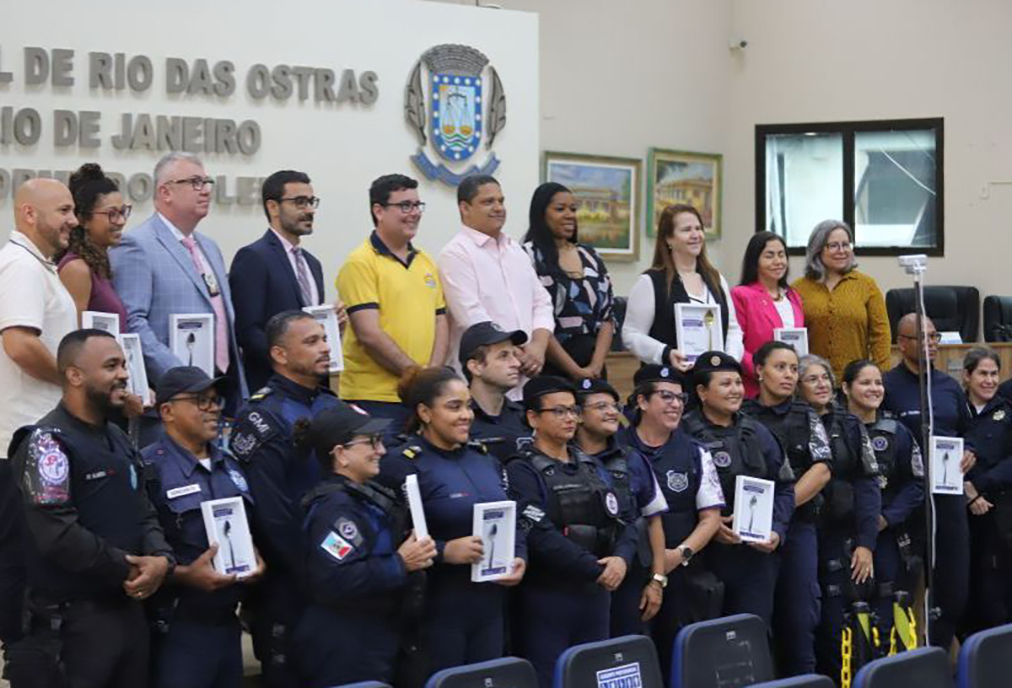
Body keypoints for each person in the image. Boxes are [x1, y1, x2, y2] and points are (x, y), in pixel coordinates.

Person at [6, 329, 175, 688]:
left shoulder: (116, 437)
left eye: (124, 364)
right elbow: (58, 534)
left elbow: (142, 507)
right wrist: (129, 568)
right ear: (75, 375)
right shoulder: (46, 443)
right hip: (72, 627)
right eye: (111, 365)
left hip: (128, 614)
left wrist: (161, 558)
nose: (124, 374)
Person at [381, 366, 526, 675]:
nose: (466, 415)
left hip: (489, 606)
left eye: (469, 406)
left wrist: (519, 555)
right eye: (454, 406)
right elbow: (390, 539)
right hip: (436, 608)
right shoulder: (402, 464)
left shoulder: (483, 457)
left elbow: (512, 515)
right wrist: (445, 551)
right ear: (425, 412)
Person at [227, 310, 342, 687]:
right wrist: (315, 570)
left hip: (342, 574)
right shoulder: (262, 416)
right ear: (279, 354)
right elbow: (272, 514)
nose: (325, 348)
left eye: (324, 339)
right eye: (311, 342)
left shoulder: (333, 406)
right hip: (291, 580)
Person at [292, 404, 436, 688]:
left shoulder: (365, 497)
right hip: (345, 644)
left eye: (380, 441)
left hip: (378, 634)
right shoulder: (335, 508)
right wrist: (400, 563)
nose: (381, 450)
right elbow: (334, 579)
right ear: (341, 454)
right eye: (370, 442)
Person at [506, 376, 637, 687]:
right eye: (559, 411)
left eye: (573, 411)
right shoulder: (521, 469)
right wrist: (596, 569)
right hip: (549, 597)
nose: (569, 418)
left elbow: (627, 518)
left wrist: (621, 560)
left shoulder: (591, 465)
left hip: (596, 594)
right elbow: (539, 533)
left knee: (595, 675)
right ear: (533, 418)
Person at [142, 366, 264, 688]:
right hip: (177, 623)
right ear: (167, 411)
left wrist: (256, 560)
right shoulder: (149, 469)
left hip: (227, 621)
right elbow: (135, 550)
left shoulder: (231, 464)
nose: (214, 407)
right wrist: (183, 575)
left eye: (215, 399)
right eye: (200, 400)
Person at [0, 178, 78, 647]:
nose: (73, 219)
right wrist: (75, 381)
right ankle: (19, 654)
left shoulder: (37, 267)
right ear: (30, 214)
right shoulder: (20, 268)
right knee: (19, 554)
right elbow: (20, 343)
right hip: (21, 439)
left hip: (34, 436)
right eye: (64, 210)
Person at [110, 152, 248, 412]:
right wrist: (181, 377)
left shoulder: (210, 247)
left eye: (207, 182)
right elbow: (132, 323)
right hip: (174, 396)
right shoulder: (136, 245)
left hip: (223, 390)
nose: (205, 191)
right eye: (195, 182)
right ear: (166, 192)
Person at [618, 365, 723, 683]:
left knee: (684, 665)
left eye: (680, 398)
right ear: (641, 401)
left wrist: (681, 554)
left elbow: (712, 517)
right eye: (666, 397)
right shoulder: (616, 450)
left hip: (684, 575)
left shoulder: (694, 451)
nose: (676, 404)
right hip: (630, 578)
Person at [882, 313, 974, 652]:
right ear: (902, 343)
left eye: (934, 337)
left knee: (953, 584)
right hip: (906, 497)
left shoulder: (949, 386)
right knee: (904, 582)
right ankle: (904, 655)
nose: (930, 343)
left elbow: (968, 432)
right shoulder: (887, 385)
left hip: (948, 495)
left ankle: (938, 648)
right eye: (921, 337)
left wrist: (972, 451)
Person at [681, 351, 794, 625]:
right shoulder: (683, 434)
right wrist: (708, 526)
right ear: (702, 391)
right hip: (703, 557)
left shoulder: (758, 433)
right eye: (725, 384)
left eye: (738, 383)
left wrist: (777, 531)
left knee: (753, 634)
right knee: (707, 636)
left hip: (755, 556)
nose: (735, 391)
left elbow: (785, 488)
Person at [741, 342, 831, 676]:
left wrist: (779, 511)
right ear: (759, 371)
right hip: (750, 531)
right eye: (781, 367)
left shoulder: (806, 414)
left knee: (799, 618)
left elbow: (821, 470)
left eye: (794, 369)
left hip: (798, 527)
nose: (789, 375)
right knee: (756, 621)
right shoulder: (743, 416)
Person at [337, 174, 448, 435]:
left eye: (417, 205)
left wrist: (431, 375)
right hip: (375, 399)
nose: (414, 214)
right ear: (379, 211)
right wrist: (417, 376)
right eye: (405, 206)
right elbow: (369, 334)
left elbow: (441, 320)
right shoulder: (360, 262)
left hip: (421, 396)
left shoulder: (426, 262)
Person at [796, 354, 880, 681]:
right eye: (812, 379)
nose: (821, 385)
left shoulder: (850, 424)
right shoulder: (791, 422)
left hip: (840, 537)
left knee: (836, 624)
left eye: (825, 378)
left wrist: (866, 543)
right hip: (799, 532)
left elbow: (869, 486)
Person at [438, 175, 554, 397]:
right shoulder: (456, 254)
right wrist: (515, 354)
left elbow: (542, 302)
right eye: (488, 202)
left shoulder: (515, 251)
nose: (499, 208)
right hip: (483, 382)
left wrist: (538, 346)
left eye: (501, 201)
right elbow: (472, 317)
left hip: (527, 376)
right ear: (465, 208)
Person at [574, 377, 667, 637]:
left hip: (631, 576)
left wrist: (657, 581)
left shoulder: (632, 459)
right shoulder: (563, 459)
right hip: (581, 578)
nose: (612, 412)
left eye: (614, 405)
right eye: (601, 406)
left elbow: (654, 520)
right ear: (578, 415)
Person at [842, 359, 924, 649]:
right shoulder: (834, 430)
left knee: (891, 604)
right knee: (848, 610)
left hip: (888, 533)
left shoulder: (897, 431)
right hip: (844, 535)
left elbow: (916, 483)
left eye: (878, 383)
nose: (874, 389)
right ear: (846, 388)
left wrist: (886, 518)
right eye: (865, 383)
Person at [230, 170, 328, 392]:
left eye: (311, 202)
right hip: (272, 390)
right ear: (273, 207)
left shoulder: (313, 264)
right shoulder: (253, 257)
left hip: (312, 389)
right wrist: (290, 362)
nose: (310, 210)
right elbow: (248, 331)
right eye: (300, 202)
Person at [622, 204, 744, 372]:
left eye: (698, 228)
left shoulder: (717, 280)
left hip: (714, 382)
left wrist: (729, 360)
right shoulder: (650, 282)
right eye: (686, 230)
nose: (695, 235)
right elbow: (631, 334)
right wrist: (665, 353)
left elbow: (732, 329)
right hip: (669, 383)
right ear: (668, 239)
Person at [521, 182, 615, 380]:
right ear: (541, 213)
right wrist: (574, 371)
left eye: (573, 209)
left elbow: (607, 317)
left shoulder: (590, 256)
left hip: (594, 369)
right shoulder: (526, 255)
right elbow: (534, 318)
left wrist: (596, 365)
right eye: (560, 209)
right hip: (550, 368)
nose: (569, 215)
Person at [791, 220, 890, 381]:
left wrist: (879, 374)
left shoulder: (866, 285)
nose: (842, 251)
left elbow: (881, 334)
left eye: (846, 245)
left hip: (855, 382)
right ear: (817, 249)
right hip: (812, 383)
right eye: (834, 245)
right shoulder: (798, 289)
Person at [960, 348, 1012, 631]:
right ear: (967, 376)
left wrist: (978, 487)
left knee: (994, 591)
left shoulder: (1007, 411)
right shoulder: (955, 410)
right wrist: (968, 493)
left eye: (994, 374)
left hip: (998, 511)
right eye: (983, 373)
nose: (990, 380)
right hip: (959, 511)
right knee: (962, 590)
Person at [56, 163, 130, 330]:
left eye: (123, 212)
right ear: (82, 219)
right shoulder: (76, 269)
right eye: (111, 214)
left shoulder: (99, 265)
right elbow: (73, 340)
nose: (121, 221)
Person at [731, 232, 805, 398]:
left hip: (790, 389)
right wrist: (765, 373)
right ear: (755, 260)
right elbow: (735, 345)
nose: (778, 262)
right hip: (755, 390)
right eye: (769, 256)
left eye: (781, 255)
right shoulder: (741, 295)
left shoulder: (793, 296)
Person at [459, 321, 529, 463]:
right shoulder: (457, 419)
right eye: (503, 356)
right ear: (476, 366)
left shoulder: (524, 417)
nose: (516, 363)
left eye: (514, 355)